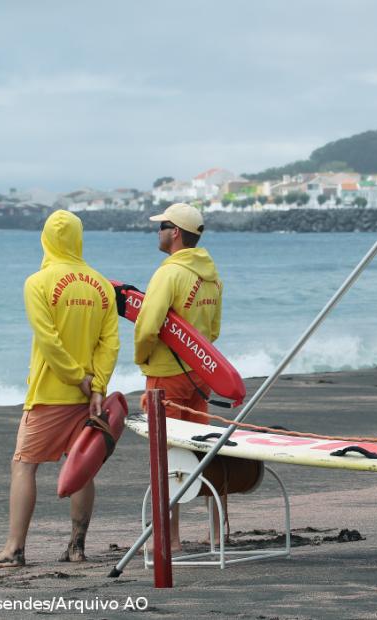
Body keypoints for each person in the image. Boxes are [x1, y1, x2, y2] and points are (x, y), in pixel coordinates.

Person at [0, 210, 120, 569]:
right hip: (89, 398)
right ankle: (76, 547)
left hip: (50, 393)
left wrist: (76, 377)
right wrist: (96, 385)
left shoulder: (38, 283)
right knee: (81, 468)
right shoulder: (102, 285)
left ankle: (14, 550)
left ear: (46, 240)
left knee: (23, 465)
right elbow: (110, 343)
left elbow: (49, 340)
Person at [134, 202, 223, 550]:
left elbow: (148, 326)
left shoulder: (169, 274)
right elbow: (213, 331)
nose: (157, 231)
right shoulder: (211, 275)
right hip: (200, 375)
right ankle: (217, 530)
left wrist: (142, 359)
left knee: (166, 455)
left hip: (166, 377)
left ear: (175, 233)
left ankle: (169, 539)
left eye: (162, 226)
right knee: (200, 450)